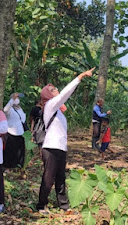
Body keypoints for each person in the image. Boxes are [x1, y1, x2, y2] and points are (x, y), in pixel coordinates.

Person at [36, 68, 95, 215]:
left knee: (61, 177)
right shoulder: (50, 106)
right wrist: (79, 77)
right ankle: (41, 205)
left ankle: (64, 205)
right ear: (48, 95)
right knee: (48, 178)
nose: (55, 90)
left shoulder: (59, 111)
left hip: (60, 147)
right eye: (52, 89)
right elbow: (65, 94)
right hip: (50, 147)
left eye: (55, 88)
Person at [3, 92, 26, 168]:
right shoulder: (10, 109)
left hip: (21, 132)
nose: (17, 99)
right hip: (11, 132)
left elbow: (23, 118)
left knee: (20, 151)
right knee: (10, 151)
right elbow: (5, 110)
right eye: (15, 98)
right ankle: (8, 167)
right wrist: (12, 99)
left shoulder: (20, 108)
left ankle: (18, 166)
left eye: (17, 98)